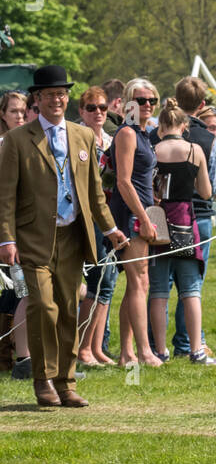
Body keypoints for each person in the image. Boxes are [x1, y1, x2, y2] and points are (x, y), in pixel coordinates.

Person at [0, 64, 128, 407]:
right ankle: (43, 379)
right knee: (43, 306)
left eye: (61, 94)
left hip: (74, 236)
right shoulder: (16, 140)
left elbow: (94, 193)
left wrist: (110, 228)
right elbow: (5, 195)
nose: (57, 100)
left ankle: (66, 382)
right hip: (34, 238)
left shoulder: (82, 135)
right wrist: (6, 239)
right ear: (37, 100)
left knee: (70, 309)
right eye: (49, 95)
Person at [148, 97, 216, 366]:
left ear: (160, 125)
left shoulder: (151, 149)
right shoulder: (194, 150)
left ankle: (159, 350)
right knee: (190, 289)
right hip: (184, 222)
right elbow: (206, 192)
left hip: (157, 223)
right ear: (183, 125)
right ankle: (196, 350)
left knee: (158, 290)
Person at [108, 78, 161, 368]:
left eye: (152, 99)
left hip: (143, 212)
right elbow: (124, 182)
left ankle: (127, 352)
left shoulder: (144, 133)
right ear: (129, 103)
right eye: (141, 100)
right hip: (131, 214)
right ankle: (144, 352)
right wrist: (143, 218)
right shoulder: (127, 133)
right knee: (139, 282)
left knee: (137, 283)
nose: (148, 105)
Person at [171, 76, 216, 359]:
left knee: (161, 283)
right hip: (198, 215)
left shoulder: (158, 132)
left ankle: (155, 345)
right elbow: (213, 186)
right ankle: (188, 342)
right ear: (202, 105)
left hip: (164, 214)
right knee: (192, 285)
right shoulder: (208, 139)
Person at [76, 87, 119, 366]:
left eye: (102, 107)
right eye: (92, 108)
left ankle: (96, 346)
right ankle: (81, 349)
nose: (98, 112)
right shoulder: (75, 137)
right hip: (85, 218)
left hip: (109, 215)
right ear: (81, 111)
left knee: (109, 282)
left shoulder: (112, 140)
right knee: (94, 282)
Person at [0, 91, 32, 378]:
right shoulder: (4, 145)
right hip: (11, 234)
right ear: (2, 115)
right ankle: (22, 358)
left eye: (23, 112)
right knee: (23, 291)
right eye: (14, 112)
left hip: (29, 231)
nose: (20, 117)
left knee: (21, 291)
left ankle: (20, 357)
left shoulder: (29, 143)